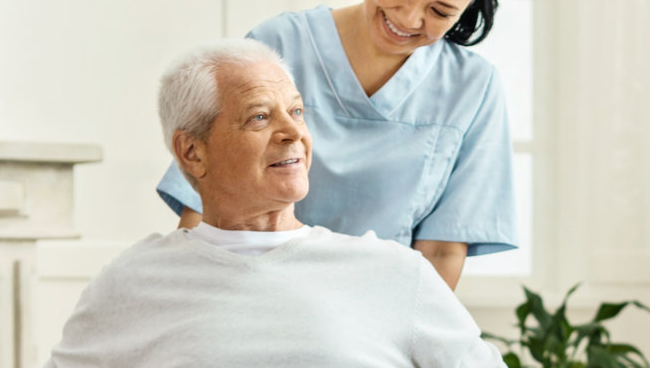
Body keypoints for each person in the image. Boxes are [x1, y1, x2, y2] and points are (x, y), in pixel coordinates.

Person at [45, 40, 504, 367]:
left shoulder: (396, 274)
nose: (294, 133)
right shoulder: (132, 283)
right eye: (260, 116)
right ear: (192, 152)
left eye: (298, 111)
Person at [158, 0, 516, 290]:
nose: (410, 18)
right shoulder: (277, 46)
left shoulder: (473, 89)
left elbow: (443, 252)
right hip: (254, 296)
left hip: (381, 318)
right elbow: (203, 205)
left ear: (469, 4)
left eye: (441, 11)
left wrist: (410, 345)